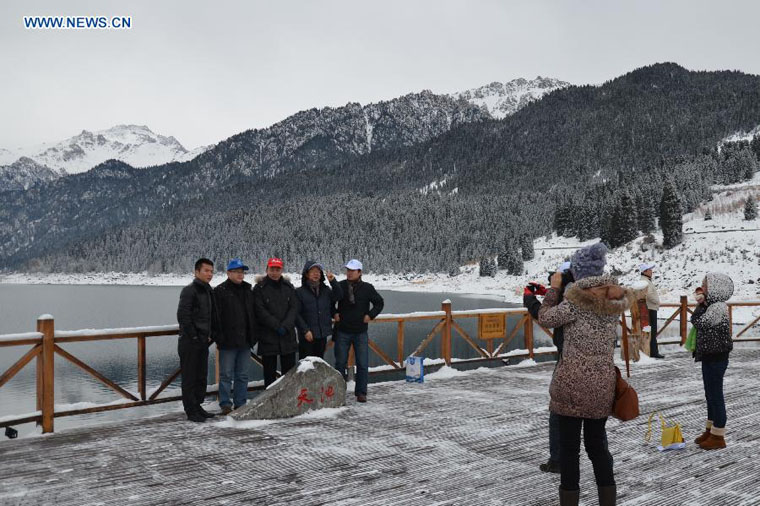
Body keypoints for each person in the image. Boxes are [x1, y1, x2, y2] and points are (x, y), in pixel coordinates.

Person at [538, 243, 634, 506]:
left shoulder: (577, 300)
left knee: (569, 451)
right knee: (597, 447)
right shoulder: (612, 299)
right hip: (602, 385)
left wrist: (555, 288)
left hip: (571, 386)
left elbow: (545, 318)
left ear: (578, 271)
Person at [523, 261, 573, 474]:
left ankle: (559, 460)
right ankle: (598, 463)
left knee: (558, 412)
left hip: (567, 362)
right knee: (592, 421)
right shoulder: (591, 295)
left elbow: (545, 316)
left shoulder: (569, 301)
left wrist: (529, 298)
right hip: (596, 367)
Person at [691, 272, 734, 450]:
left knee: (716, 396)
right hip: (709, 356)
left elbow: (699, 322)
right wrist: (702, 304)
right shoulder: (710, 305)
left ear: (715, 288)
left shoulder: (717, 308)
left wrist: (700, 305)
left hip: (717, 358)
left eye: (705, 285)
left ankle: (718, 436)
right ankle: (710, 430)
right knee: (710, 395)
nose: (703, 288)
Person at [334, 259, 384, 403]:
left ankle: (361, 392)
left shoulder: (368, 288)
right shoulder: (340, 286)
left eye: (352, 270)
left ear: (359, 272)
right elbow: (330, 302)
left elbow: (379, 303)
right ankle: (339, 392)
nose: (349, 273)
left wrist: (370, 315)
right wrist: (334, 313)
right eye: (348, 270)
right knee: (340, 364)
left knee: (362, 364)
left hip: (360, 332)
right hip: (342, 331)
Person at [177, 258, 220, 423]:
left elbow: (211, 316)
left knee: (201, 376)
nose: (209, 274)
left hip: (203, 342)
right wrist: (195, 337)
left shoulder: (208, 290)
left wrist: (213, 333)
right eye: (206, 271)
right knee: (189, 377)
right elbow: (183, 316)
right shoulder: (190, 290)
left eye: (211, 271)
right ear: (197, 272)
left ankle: (198, 406)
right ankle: (190, 410)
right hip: (190, 342)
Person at [213, 258, 257, 415]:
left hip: (245, 341)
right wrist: (219, 337)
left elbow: (253, 314)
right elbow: (215, 317)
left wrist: (253, 335)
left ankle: (240, 403)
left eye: (242, 272)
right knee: (225, 375)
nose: (240, 275)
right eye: (237, 272)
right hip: (227, 342)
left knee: (243, 375)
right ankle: (225, 403)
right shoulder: (219, 291)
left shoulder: (247, 290)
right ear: (228, 273)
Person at [253, 257, 300, 387]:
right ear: (267, 270)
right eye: (272, 269)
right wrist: (276, 325)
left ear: (281, 270)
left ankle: (288, 399)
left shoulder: (288, 287)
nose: (274, 272)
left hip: (287, 335)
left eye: (277, 269)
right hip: (268, 335)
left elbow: (294, 307)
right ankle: (270, 402)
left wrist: (285, 326)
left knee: (289, 374)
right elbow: (260, 310)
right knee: (269, 375)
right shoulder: (259, 288)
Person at [295, 260, 343, 360]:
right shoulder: (299, 292)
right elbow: (296, 314)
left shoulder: (326, 290)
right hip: (307, 336)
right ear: (307, 274)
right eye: (313, 271)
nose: (316, 274)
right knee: (306, 365)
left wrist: (333, 281)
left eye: (318, 271)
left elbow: (339, 295)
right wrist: (305, 331)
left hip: (322, 334)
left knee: (319, 362)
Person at [640, 263, 664, 358]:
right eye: (649, 270)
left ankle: (650, 352)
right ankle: (653, 352)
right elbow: (649, 295)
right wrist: (657, 301)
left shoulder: (645, 281)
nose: (651, 271)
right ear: (645, 271)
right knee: (652, 331)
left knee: (650, 331)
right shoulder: (646, 281)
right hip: (650, 308)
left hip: (648, 308)